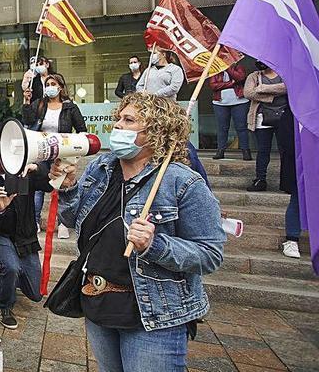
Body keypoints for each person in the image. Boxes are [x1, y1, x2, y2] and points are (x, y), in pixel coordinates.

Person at [53, 92, 224, 371]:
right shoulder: (100, 168)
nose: (117, 125)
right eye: (118, 118)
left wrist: (154, 246)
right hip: (98, 303)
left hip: (151, 314)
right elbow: (73, 221)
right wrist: (69, 187)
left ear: (156, 132)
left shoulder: (183, 183)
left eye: (129, 120)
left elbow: (209, 254)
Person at [0, 133, 51, 330]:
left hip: (25, 237)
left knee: (36, 294)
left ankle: (12, 280)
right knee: (11, 267)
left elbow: (48, 184)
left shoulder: (24, 173)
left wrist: (38, 168)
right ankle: (5, 306)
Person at [21, 73, 86, 240]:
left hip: (63, 151)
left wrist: (77, 148)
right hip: (41, 150)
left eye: (53, 83)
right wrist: (27, 101)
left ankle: (62, 223)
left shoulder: (70, 107)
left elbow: (81, 128)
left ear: (60, 87)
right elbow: (27, 121)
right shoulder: (40, 104)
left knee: (60, 186)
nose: (50, 86)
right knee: (38, 188)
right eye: (47, 84)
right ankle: (35, 221)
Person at [135, 51, 208, 185]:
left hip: (168, 110)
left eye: (155, 52)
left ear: (163, 54)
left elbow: (174, 87)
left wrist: (155, 95)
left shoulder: (174, 70)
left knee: (176, 141)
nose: (152, 55)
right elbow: (139, 86)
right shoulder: (148, 70)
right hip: (149, 111)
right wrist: (144, 95)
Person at [244, 61, 288, 192]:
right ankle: (260, 179)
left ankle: (287, 181)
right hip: (261, 118)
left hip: (284, 118)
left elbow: (288, 87)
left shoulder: (284, 74)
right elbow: (248, 93)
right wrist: (273, 96)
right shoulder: (254, 76)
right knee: (263, 151)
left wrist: (263, 89)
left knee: (285, 151)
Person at [208, 62, 251, 160]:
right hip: (220, 103)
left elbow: (240, 78)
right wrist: (231, 83)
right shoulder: (215, 69)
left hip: (240, 101)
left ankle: (245, 150)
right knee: (222, 128)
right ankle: (220, 150)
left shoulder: (238, 67)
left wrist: (228, 68)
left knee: (241, 127)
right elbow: (213, 85)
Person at [277, 108, 303, 258]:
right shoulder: (294, 111)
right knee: (297, 201)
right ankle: (292, 239)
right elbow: (286, 139)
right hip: (301, 164)